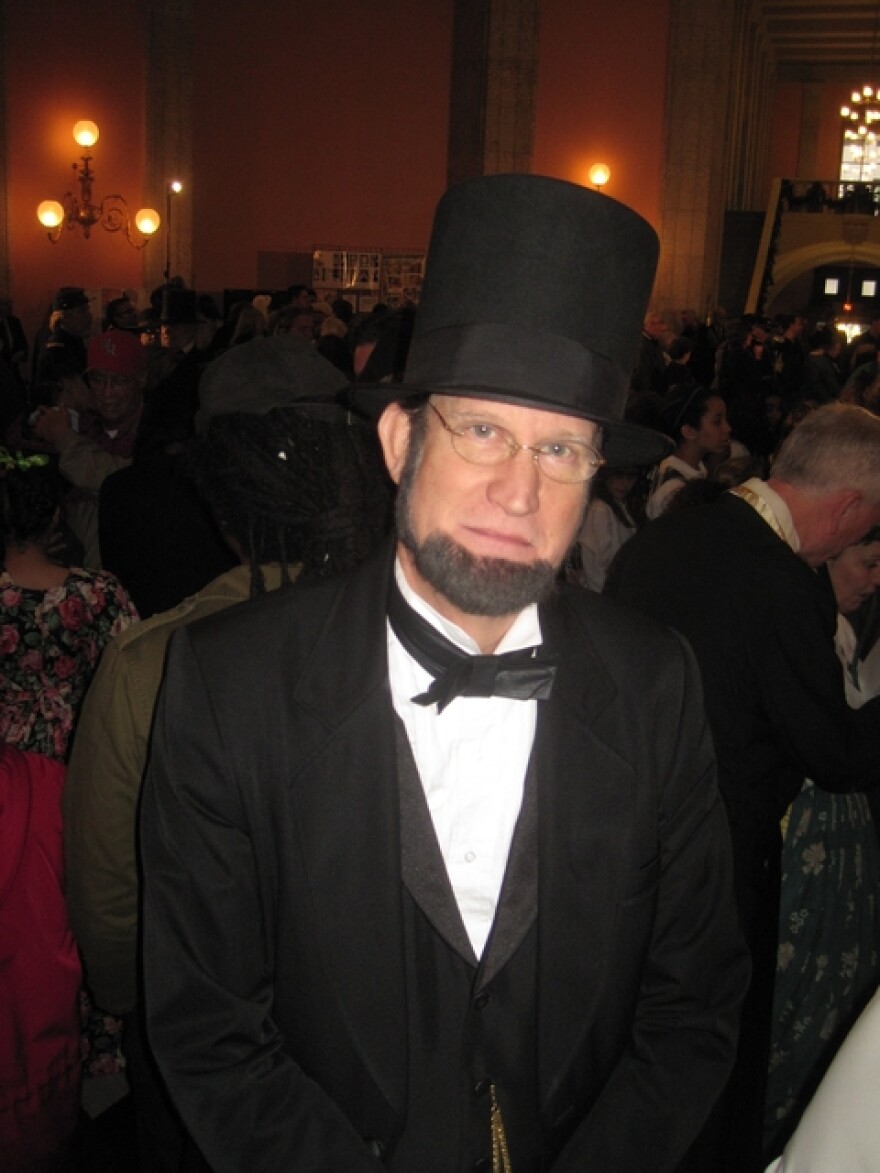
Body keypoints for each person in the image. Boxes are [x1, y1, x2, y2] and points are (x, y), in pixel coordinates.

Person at [138, 175, 748, 1173]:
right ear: (396, 441)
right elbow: (207, 1032)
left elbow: (693, 1004)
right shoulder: (229, 685)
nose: (518, 488)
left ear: (597, 477)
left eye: (560, 449)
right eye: (481, 432)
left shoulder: (652, 683)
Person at [65, 336, 392, 1173]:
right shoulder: (414, 638)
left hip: (199, 1052)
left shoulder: (152, 663)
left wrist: (134, 1000)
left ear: (220, 489)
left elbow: (109, 896)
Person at [605, 402, 880, 1173]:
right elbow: (836, 753)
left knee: (642, 1061)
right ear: (851, 507)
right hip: (721, 865)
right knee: (715, 1071)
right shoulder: (779, 581)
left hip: (626, 848)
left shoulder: (661, 540)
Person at [764, 527, 880, 1157]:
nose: (873, 579)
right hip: (810, 833)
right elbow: (827, 745)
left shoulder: (838, 628)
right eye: (866, 562)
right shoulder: (804, 630)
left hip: (840, 835)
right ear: (830, 555)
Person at [0, 449, 137, 759]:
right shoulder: (99, 593)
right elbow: (130, 675)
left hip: (7, 764)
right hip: (81, 751)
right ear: (55, 516)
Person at [646, 385, 732, 518]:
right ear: (689, 432)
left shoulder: (697, 471)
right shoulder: (671, 492)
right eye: (717, 422)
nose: (727, 428)